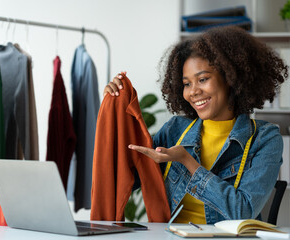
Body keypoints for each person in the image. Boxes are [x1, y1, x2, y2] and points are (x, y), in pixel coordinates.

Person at [103, 26, 288, 224]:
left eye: (202, 79)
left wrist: (188, 161)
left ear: (231, 78)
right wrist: (114, 110)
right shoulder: (175, 130)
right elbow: (124, 181)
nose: (193, 92)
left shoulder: (265, 139)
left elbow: (242, 211)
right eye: (186, 83)